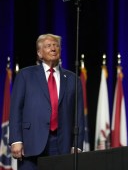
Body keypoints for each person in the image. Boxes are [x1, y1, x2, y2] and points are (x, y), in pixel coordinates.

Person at [9, 34, 84, 170]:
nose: (53, 48)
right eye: (48, 46)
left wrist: (77, 144)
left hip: (62, 143)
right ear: (39, 53)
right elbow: (15, 110)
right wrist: (16, 140)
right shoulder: (25, 75)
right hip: (30, 141)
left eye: (56, 45)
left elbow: (78, 115)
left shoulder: (73, 79)